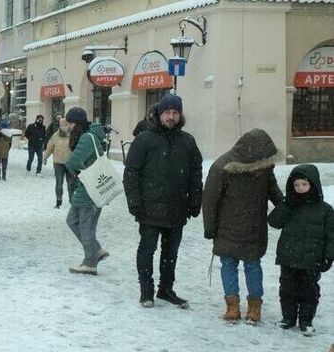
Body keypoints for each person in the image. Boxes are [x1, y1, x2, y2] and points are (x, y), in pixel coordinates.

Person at [123, 94, 203, 308]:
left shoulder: (187, 141)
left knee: (171, 252)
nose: (171, 116)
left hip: (177, 207)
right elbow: (131, 172)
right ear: (159, 114)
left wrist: (195, 200)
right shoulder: (144, 139)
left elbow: (196, 172)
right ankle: (146, 291)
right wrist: (134, 201)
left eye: (175, 112)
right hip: (149, 207)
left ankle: (166, 289)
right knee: (147, 249)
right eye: (167, 112)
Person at [202, 129, 283, 323]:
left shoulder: (263, 167)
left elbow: (273, 191)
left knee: (253, 266)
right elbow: (210, 200)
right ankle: (232, 306)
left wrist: (288, 208)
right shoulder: (222, 167)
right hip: (227, 227)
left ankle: (255, 307)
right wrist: (209, 227)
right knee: (228, 265)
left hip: (254, 228)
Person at [268, 165, 334, 336]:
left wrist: (329, 257)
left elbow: (331, 236)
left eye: (304, 184)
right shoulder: (289, 204)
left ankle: (306, 321)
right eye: (296, 185)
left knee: (309, 292)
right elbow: (274, 222)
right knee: (287, 289)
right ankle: (288, 318)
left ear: (313, 184)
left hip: (312, 259)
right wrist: (286, 205)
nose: (300, 188)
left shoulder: (326, 210)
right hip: (289, 257)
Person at [62, 107, 109, 274]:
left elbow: (74, 162)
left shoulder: (87, 139)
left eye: (69, 124)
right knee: (72, 221)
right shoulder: (87, 136)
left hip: (91, 190)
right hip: (86, 188)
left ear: (76, 124)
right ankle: (95, 250)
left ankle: (90, 262)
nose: (67, 127)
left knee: (85, 226)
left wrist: (68, 166)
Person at [44, 115, 74, 209]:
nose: (66, 127)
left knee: (70, 183)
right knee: (60, 182)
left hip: (70, 163)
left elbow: (78, 148)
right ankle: (59, 201)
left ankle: (71, 201)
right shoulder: (56, 135)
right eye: (64, 125)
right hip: (59, 163)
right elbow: (50, 147)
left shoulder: (73, 135)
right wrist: (45, 157)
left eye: (67, 125)